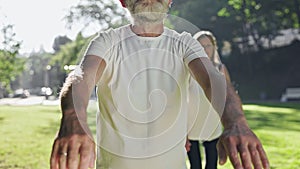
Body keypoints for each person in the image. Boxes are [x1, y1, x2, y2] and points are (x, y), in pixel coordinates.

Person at [50, 0, 270, 169]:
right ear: (123, 2)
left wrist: (236, 121)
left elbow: (213, 80)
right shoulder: (107, 41)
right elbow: (82, 76)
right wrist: (72, 118)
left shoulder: (184, 43)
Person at [186, 30, 232, 169]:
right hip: (191, 124)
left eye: (208, 45)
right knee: (195, 166)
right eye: (201, 45)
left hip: (213, 124)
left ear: (214, 47)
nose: (205, 49)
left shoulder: (221, 69)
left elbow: (228, 97)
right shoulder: (188, 69)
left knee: (212, 165)